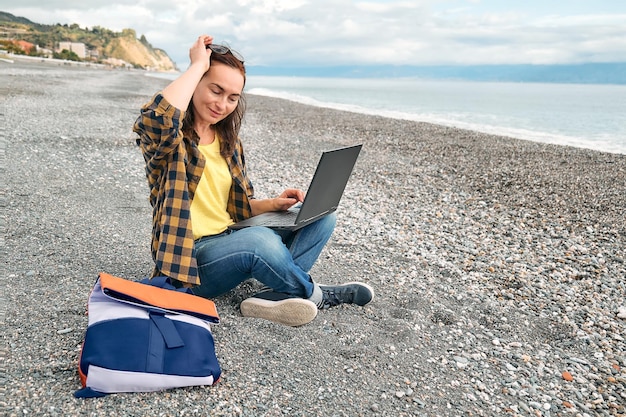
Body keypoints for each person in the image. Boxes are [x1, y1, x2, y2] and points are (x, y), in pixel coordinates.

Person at [133, 35, 374, 327]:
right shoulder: (169, 144)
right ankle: (316, 294)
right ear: (195, 83)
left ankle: (275, 296)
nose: (222, 104)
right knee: (261, 241)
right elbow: (156, 117)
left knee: (322, 217)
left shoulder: (228, 142)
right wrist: (198, 65)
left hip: (232, 237)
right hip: (191, 262)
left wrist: (274, 204)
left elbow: (235, 209)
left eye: (232, 97)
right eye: (216, 90)